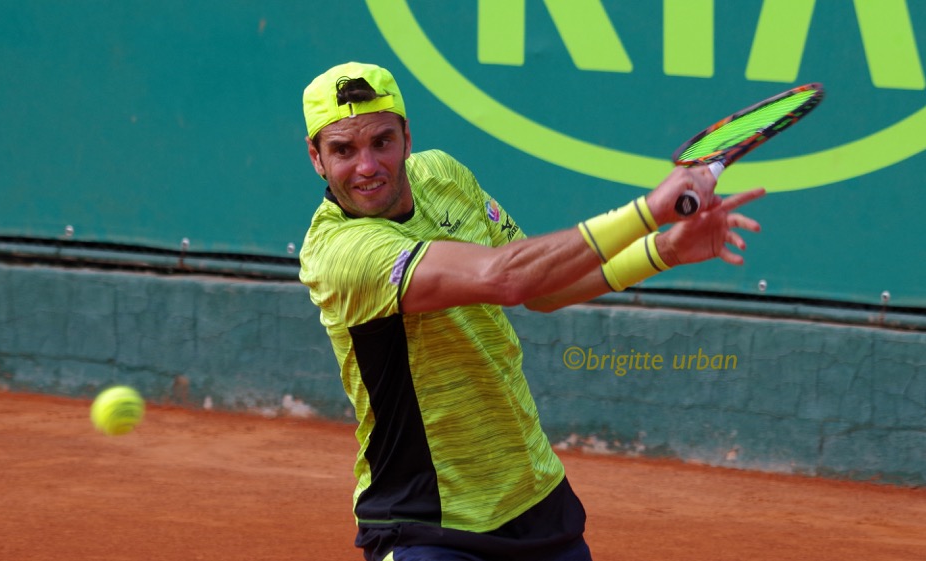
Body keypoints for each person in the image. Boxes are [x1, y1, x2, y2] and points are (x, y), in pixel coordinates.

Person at [298, 61, 764, 561]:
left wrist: (664, 248)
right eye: (343, 150)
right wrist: (648, 211)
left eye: (382, 142)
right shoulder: (339, 253)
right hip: (426, 520)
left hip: (533, 494)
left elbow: (542, 286)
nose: (367, 166)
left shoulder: (442, 175)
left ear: (407, 138)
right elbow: (504, 277)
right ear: (317, 158)